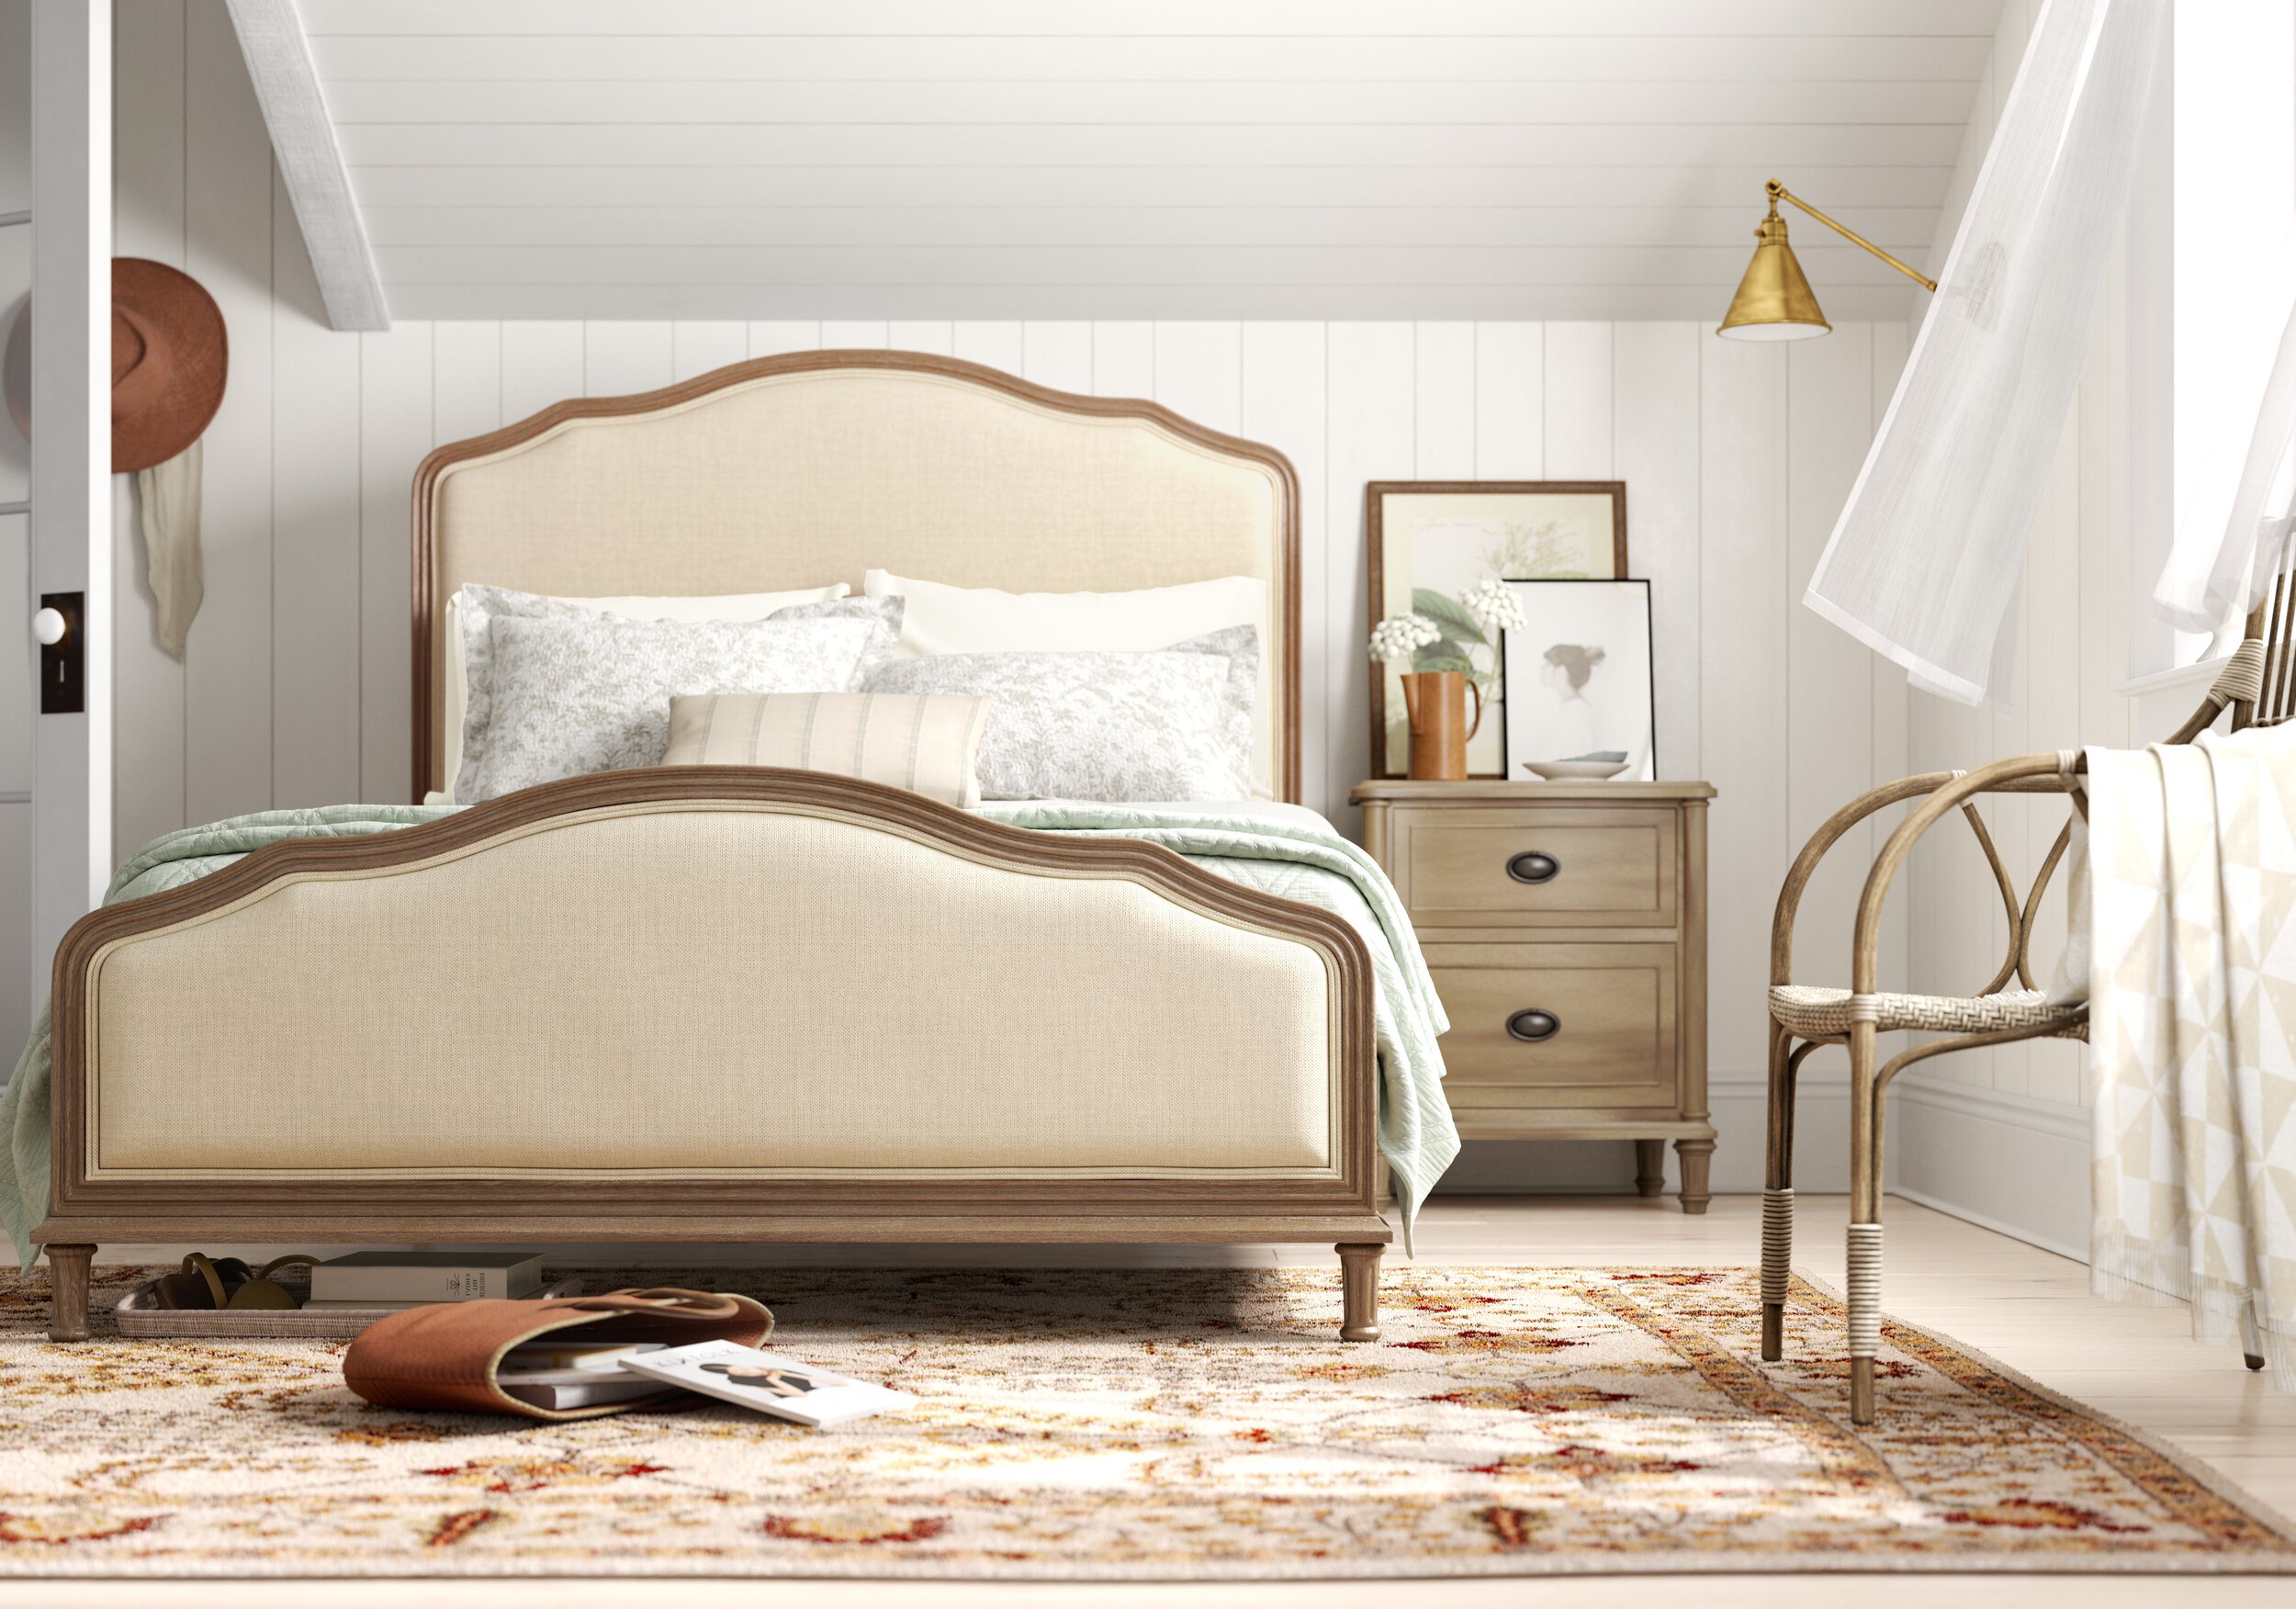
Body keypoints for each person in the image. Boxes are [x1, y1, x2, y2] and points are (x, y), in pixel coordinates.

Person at [1537, 643, 1605, 759]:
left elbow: (1574, 766)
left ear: (1561, 671)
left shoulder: (1574, 714)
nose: (1542, 668)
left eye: (1548, 663)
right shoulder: (1572, 710)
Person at [701, 1360, 822, 1398]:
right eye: (744, 1373)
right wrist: (772, 1379)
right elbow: (801, 1395)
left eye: (745, 1367)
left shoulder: (773, 1370)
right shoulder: (766, 1383)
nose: (749, 1370)